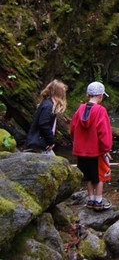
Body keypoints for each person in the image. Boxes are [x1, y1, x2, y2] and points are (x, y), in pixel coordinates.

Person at [70, 81, 113, 211]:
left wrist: (76, 143)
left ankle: (90, 200)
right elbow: (103, 131)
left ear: (88, 95)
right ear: (100, 96)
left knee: (88, 176)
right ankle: (99, 201)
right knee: (99, 176)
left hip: (81, 150)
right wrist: (106, 148)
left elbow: (72, 128)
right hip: (96, 151)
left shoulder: (80, 109)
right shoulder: (100, 110)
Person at [26, 79, 68, 154]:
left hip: (39, 142)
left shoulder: (46, 103)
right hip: (39, 143)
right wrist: (51, 141)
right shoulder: (48, 106)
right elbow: (43, 124)